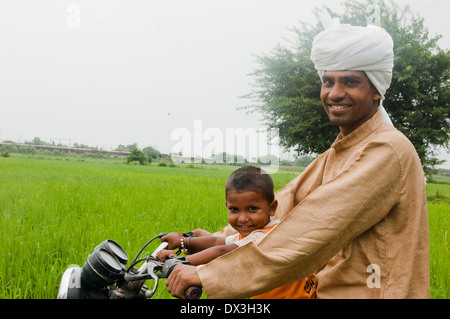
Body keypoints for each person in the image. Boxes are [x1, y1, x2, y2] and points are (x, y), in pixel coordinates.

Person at [165, 16, 430, 299]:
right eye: (328, 81)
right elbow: (282, 204)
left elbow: (313, 227)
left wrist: (209, 274)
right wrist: (195, 240)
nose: (335, 93)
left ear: (376, 90)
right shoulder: (342, 150)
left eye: (350, 82)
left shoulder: (386, 150)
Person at [158, 166, 317, 299]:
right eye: (234, 210)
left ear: (272, 208)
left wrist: (181, 261)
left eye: (252, 209)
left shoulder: (266, 235)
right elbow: (217, 242)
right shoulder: (252, 232)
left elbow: (222, 251)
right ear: (227, 206)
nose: (243, 219)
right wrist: (183, 241)